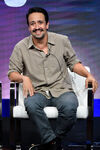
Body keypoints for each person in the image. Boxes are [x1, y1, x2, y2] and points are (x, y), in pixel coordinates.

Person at [8, 7, 98, 150]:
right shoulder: (20, 47)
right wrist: (24, 78)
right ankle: (52, 143)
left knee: (69, 107)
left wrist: (88, 75)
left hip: (61, 89)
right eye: (32, 24)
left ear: (47, 24)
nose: (37, 27)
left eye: (40, 22)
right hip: (37, 91)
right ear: (28, 27)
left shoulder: (62, 41)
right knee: (31, 105)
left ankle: (50, 143)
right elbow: (12, 73)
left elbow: (74, 63)